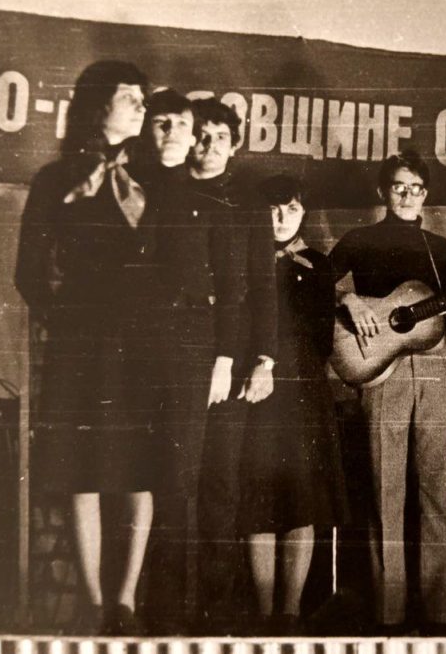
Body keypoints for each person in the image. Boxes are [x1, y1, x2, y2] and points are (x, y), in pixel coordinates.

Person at [14, 60, 152, 635]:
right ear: (98, 107)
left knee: (140, 467)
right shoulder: (55, 180)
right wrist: (68, 318)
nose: (141, 107)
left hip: (141, 343)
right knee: (82, 468)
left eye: (143, 98)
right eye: (129, 97)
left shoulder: (157, 179)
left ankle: (126, 603)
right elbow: (28, 270)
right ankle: (95, 607)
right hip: (80, 343)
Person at [146, 95, 278, 633]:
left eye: (221, 137)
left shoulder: (249, 205)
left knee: (221, 485)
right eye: (202, 135)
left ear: (235, 146)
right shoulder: (168, 195)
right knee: (174, 481)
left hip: (236, 361)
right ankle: (166, 615)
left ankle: (216, 616)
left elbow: (261, 289)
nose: (209, 145)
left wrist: (263, 360)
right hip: (178, 356)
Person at [329, 150, 446, 634]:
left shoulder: (439, 247)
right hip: (380, 367)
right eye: (399, 186)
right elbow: (312, 284)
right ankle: (388, 611)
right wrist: (347, 298)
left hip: (434, 369)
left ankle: (442, 610)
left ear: (426, 193)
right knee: (384, 488)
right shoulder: (359, 239)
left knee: (437, 486)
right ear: (382, 191)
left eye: (416, 188)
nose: (408, 195)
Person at [237, 174, 348, 634]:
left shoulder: (318, 265)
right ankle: (264, 614)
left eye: (293, 209)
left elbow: (323, 338)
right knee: (260, 498)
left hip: (303, 391)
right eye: (274, 209)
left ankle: (290, 612)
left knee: (303, 499)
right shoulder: (244, 257)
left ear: (304, 213)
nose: (283, 218)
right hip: (257, 390)